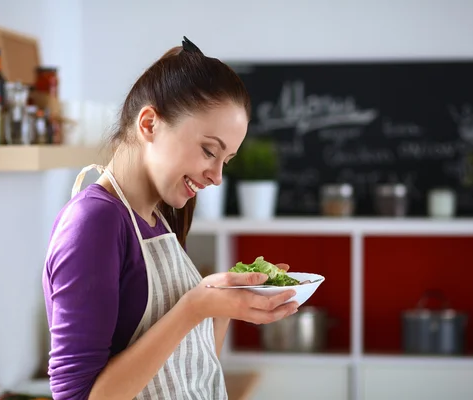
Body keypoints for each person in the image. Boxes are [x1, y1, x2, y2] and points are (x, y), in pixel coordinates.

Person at [41, 36, 299, 400]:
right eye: (210, 151)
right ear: (149, 124)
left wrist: (225, 303)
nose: (216, 177)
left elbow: (192, 370)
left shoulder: (158, 218)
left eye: (226, 161)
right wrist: (194, 307)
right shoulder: (94, 222)